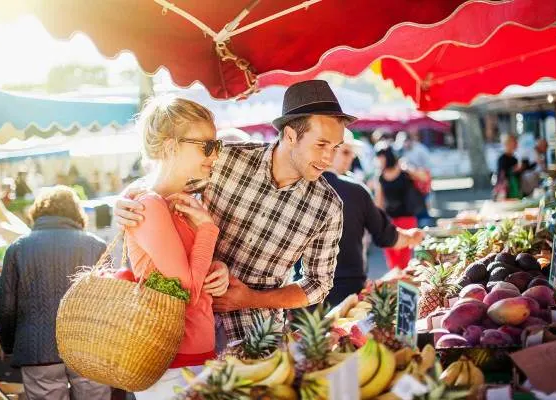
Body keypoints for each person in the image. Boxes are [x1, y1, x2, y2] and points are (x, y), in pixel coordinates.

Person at [115, 80, 353, 344]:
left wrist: (251, 298)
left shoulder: (328, 207)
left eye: (335, 147)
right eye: (321, 145)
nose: (329, 159)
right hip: (187, 327)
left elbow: (318, 285)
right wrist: (126, 198)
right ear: (290, 136)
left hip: (257, 338)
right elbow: (167, 180)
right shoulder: (225, 159)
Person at [125, 96, 228, 399]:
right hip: (172, 363)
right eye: (206, 146)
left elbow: (194, 273)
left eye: (216, 146)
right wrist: (208, 230)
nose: (214, 155)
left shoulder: (185, 203)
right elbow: (186, 288)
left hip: (197, 354)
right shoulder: (150, 205)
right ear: (170, 146)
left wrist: (218, 270)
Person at [0, 186, 111, 400]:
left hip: (38, 350)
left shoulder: (18, 248)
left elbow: (6, 306)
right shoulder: (96, 246)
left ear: (38, 212)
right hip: (89, 349)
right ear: (76, 213)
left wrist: (9, 345)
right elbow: (110, 304)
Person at [322, 131, 424, 305]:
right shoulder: (355, 190)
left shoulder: (298, 189)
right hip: (347, 289)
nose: (351, 158)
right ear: (329, 151)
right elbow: (385, 235)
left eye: (352, 153)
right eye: (346, 152)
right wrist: (412, 237)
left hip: (302, 293)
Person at [375, 145, 426, 270]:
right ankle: (395, 284)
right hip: (389, 220)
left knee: (404, 258)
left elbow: (423, 177)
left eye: (380, 158)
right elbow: (379, 202)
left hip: (407, 218)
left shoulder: (404, 172)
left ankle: (402, 284)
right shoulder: (381, 177)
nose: (378, 161)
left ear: (387, 157)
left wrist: (407, 168)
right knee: (391, 257)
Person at [494, 134, 523, 200]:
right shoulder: (502, 159)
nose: (516, 144)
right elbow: (502, 175)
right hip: (505, 193)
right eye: (514, 142)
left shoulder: (514, 159)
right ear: (507, 144)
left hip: (515, 191)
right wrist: (514, 169)